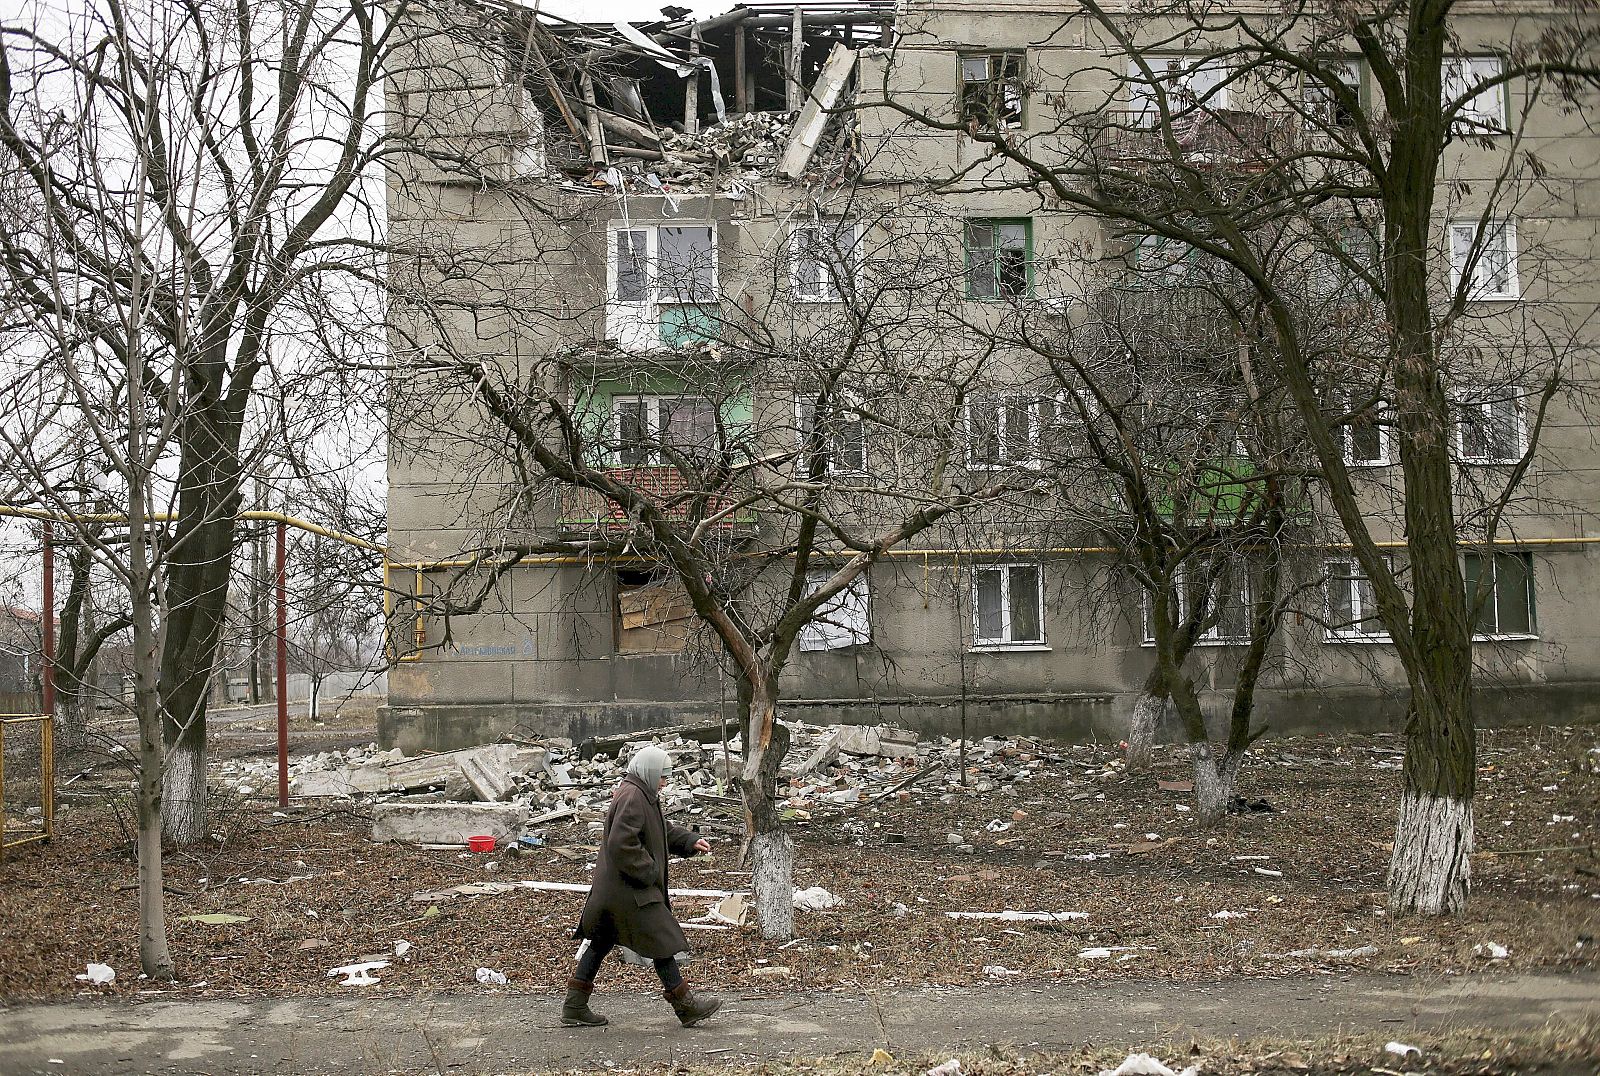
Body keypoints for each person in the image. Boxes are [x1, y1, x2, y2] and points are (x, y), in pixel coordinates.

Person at [562, 744, 722, 1028]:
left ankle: (574, 1006)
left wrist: (687, 840)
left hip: (617, 890)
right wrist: (649, 871)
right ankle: (686, 1006)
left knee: (600, 942)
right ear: (649, 771)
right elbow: (622, 843)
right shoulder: (634, 796)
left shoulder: (641, 792)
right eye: (663, 775)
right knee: (660, 938)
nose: (665, 781)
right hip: (629, 891)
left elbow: (659, 829)